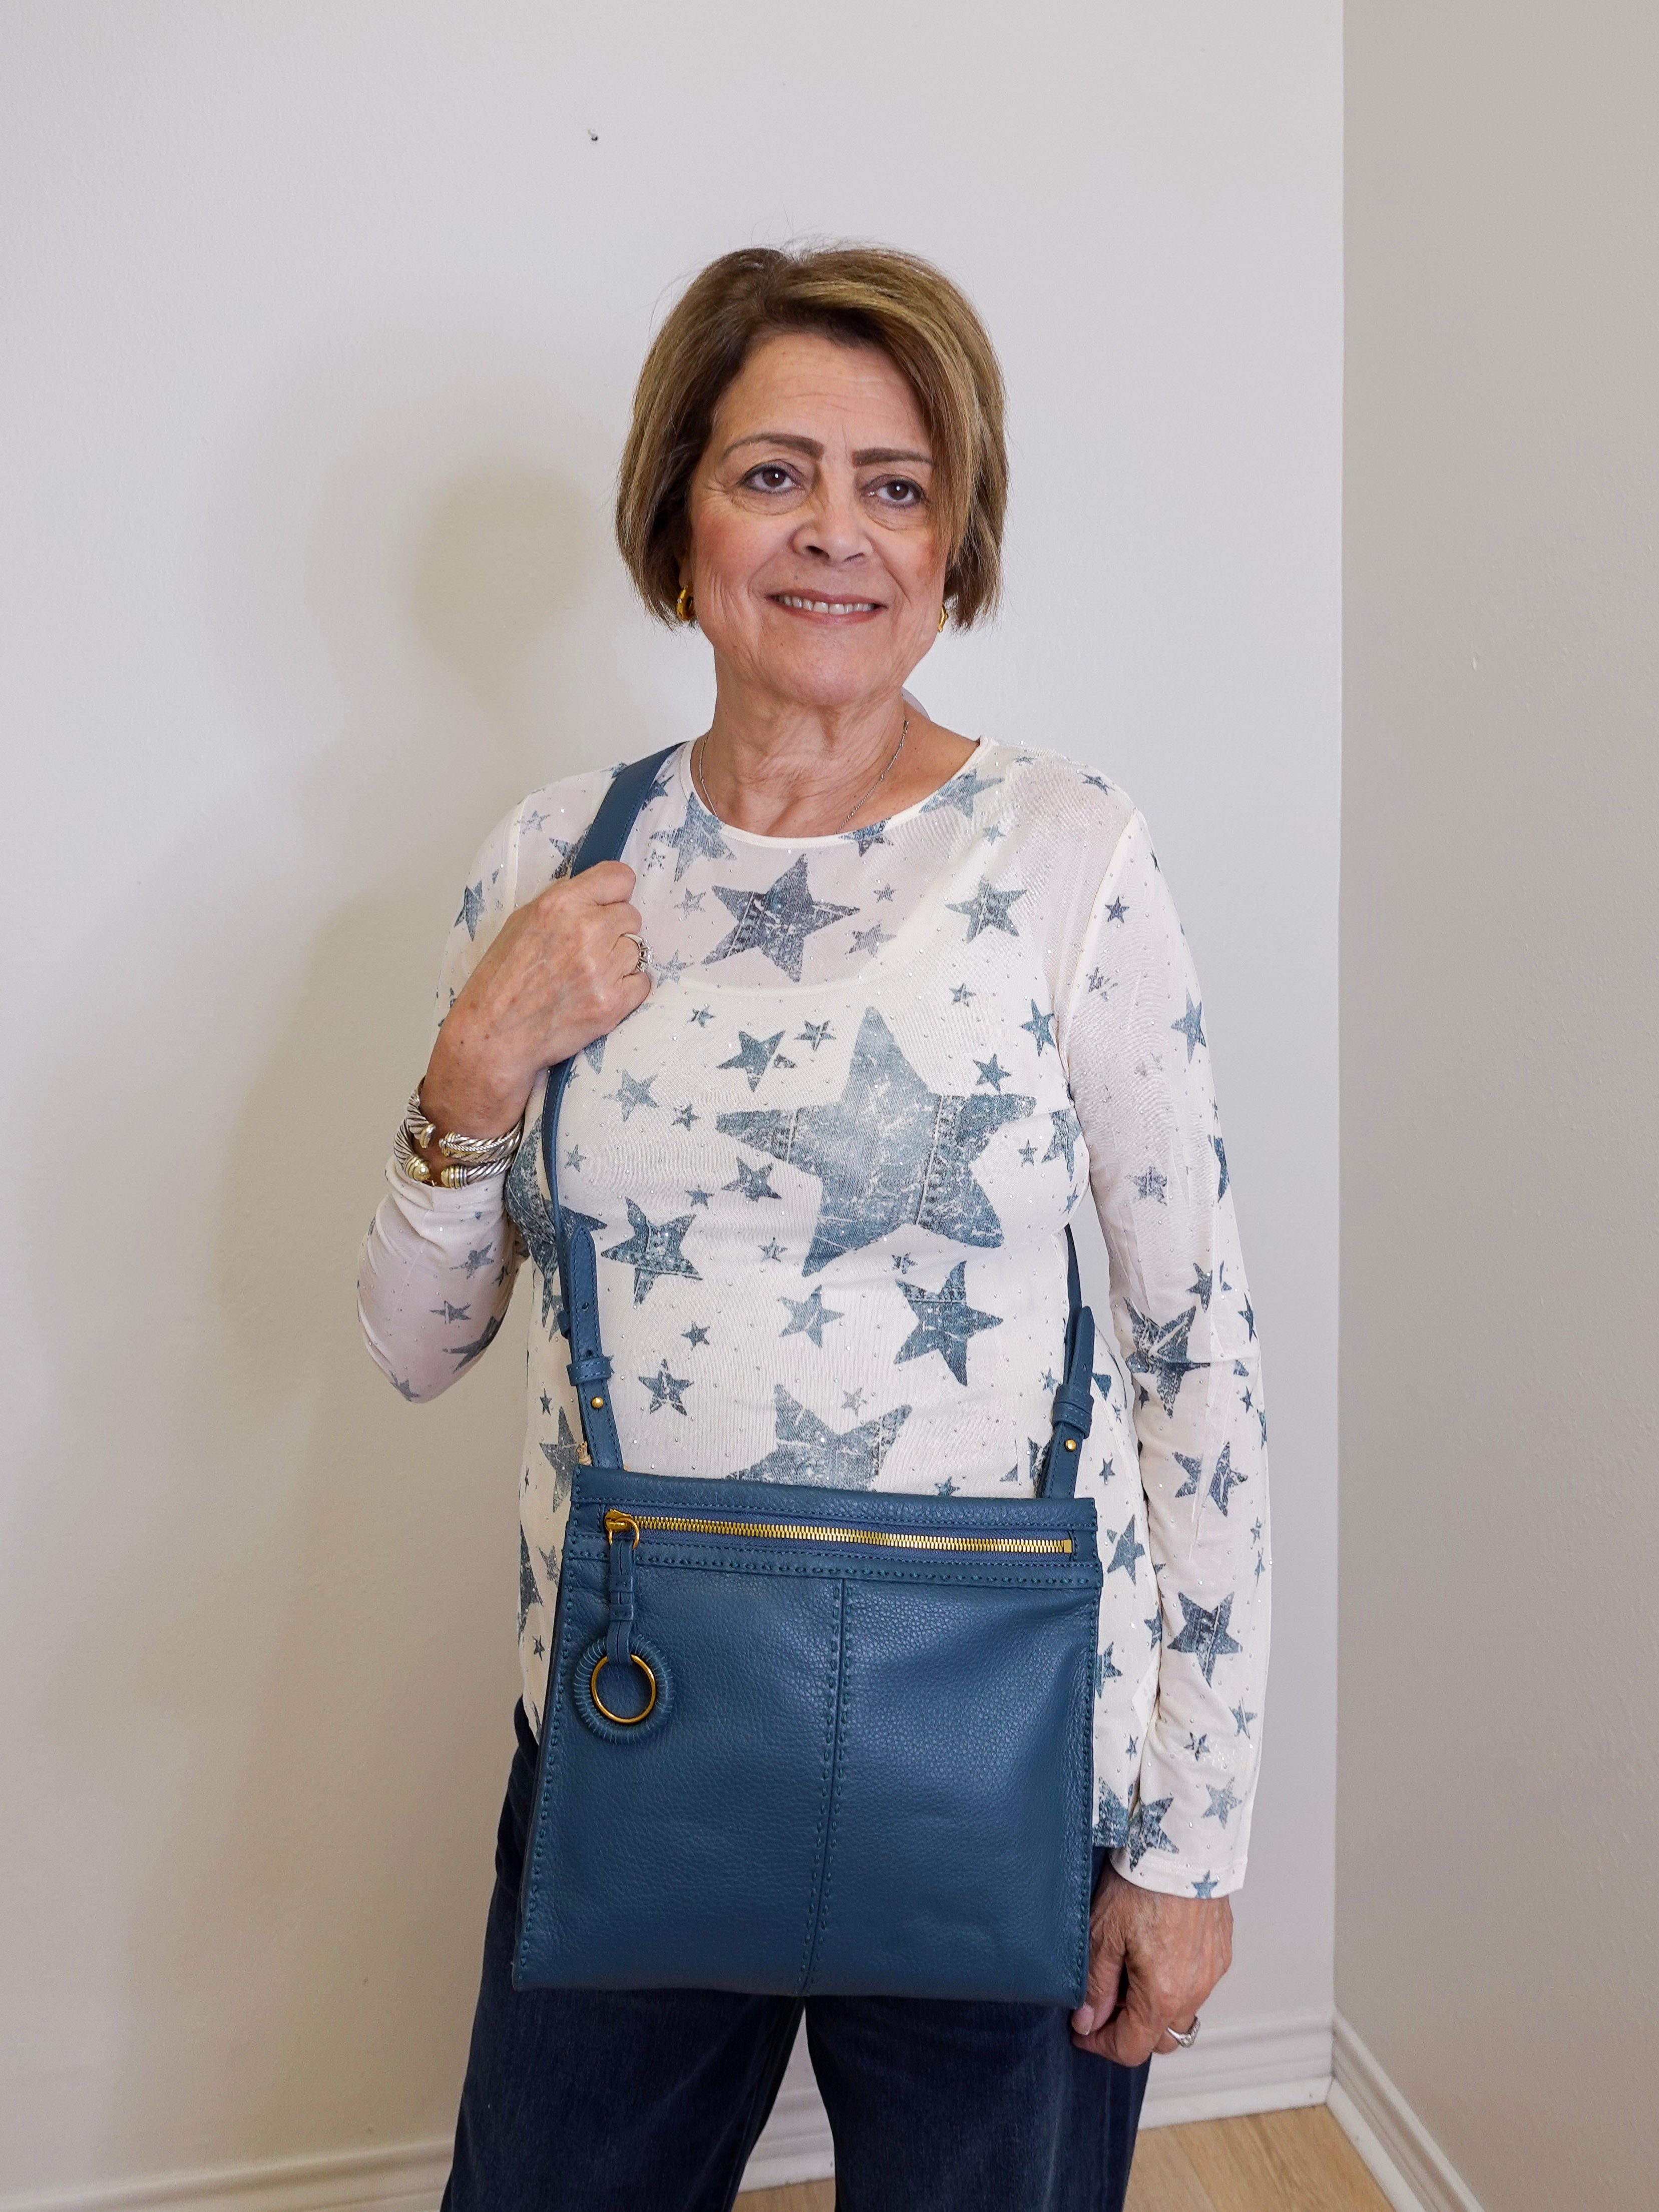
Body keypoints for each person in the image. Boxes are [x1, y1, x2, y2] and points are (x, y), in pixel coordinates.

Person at [357, 242, 1269, 2212]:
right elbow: (418, 1346)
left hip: (1012, 1759)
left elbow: (1199, 1365)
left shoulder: (1066, 857)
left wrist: (1185, 1848)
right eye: (774, 474)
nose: (836, 536)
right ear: (677, 510)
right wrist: (471, 1067)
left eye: (897, 483)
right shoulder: (551, 859)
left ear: (957, 535)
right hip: (631, 1730)